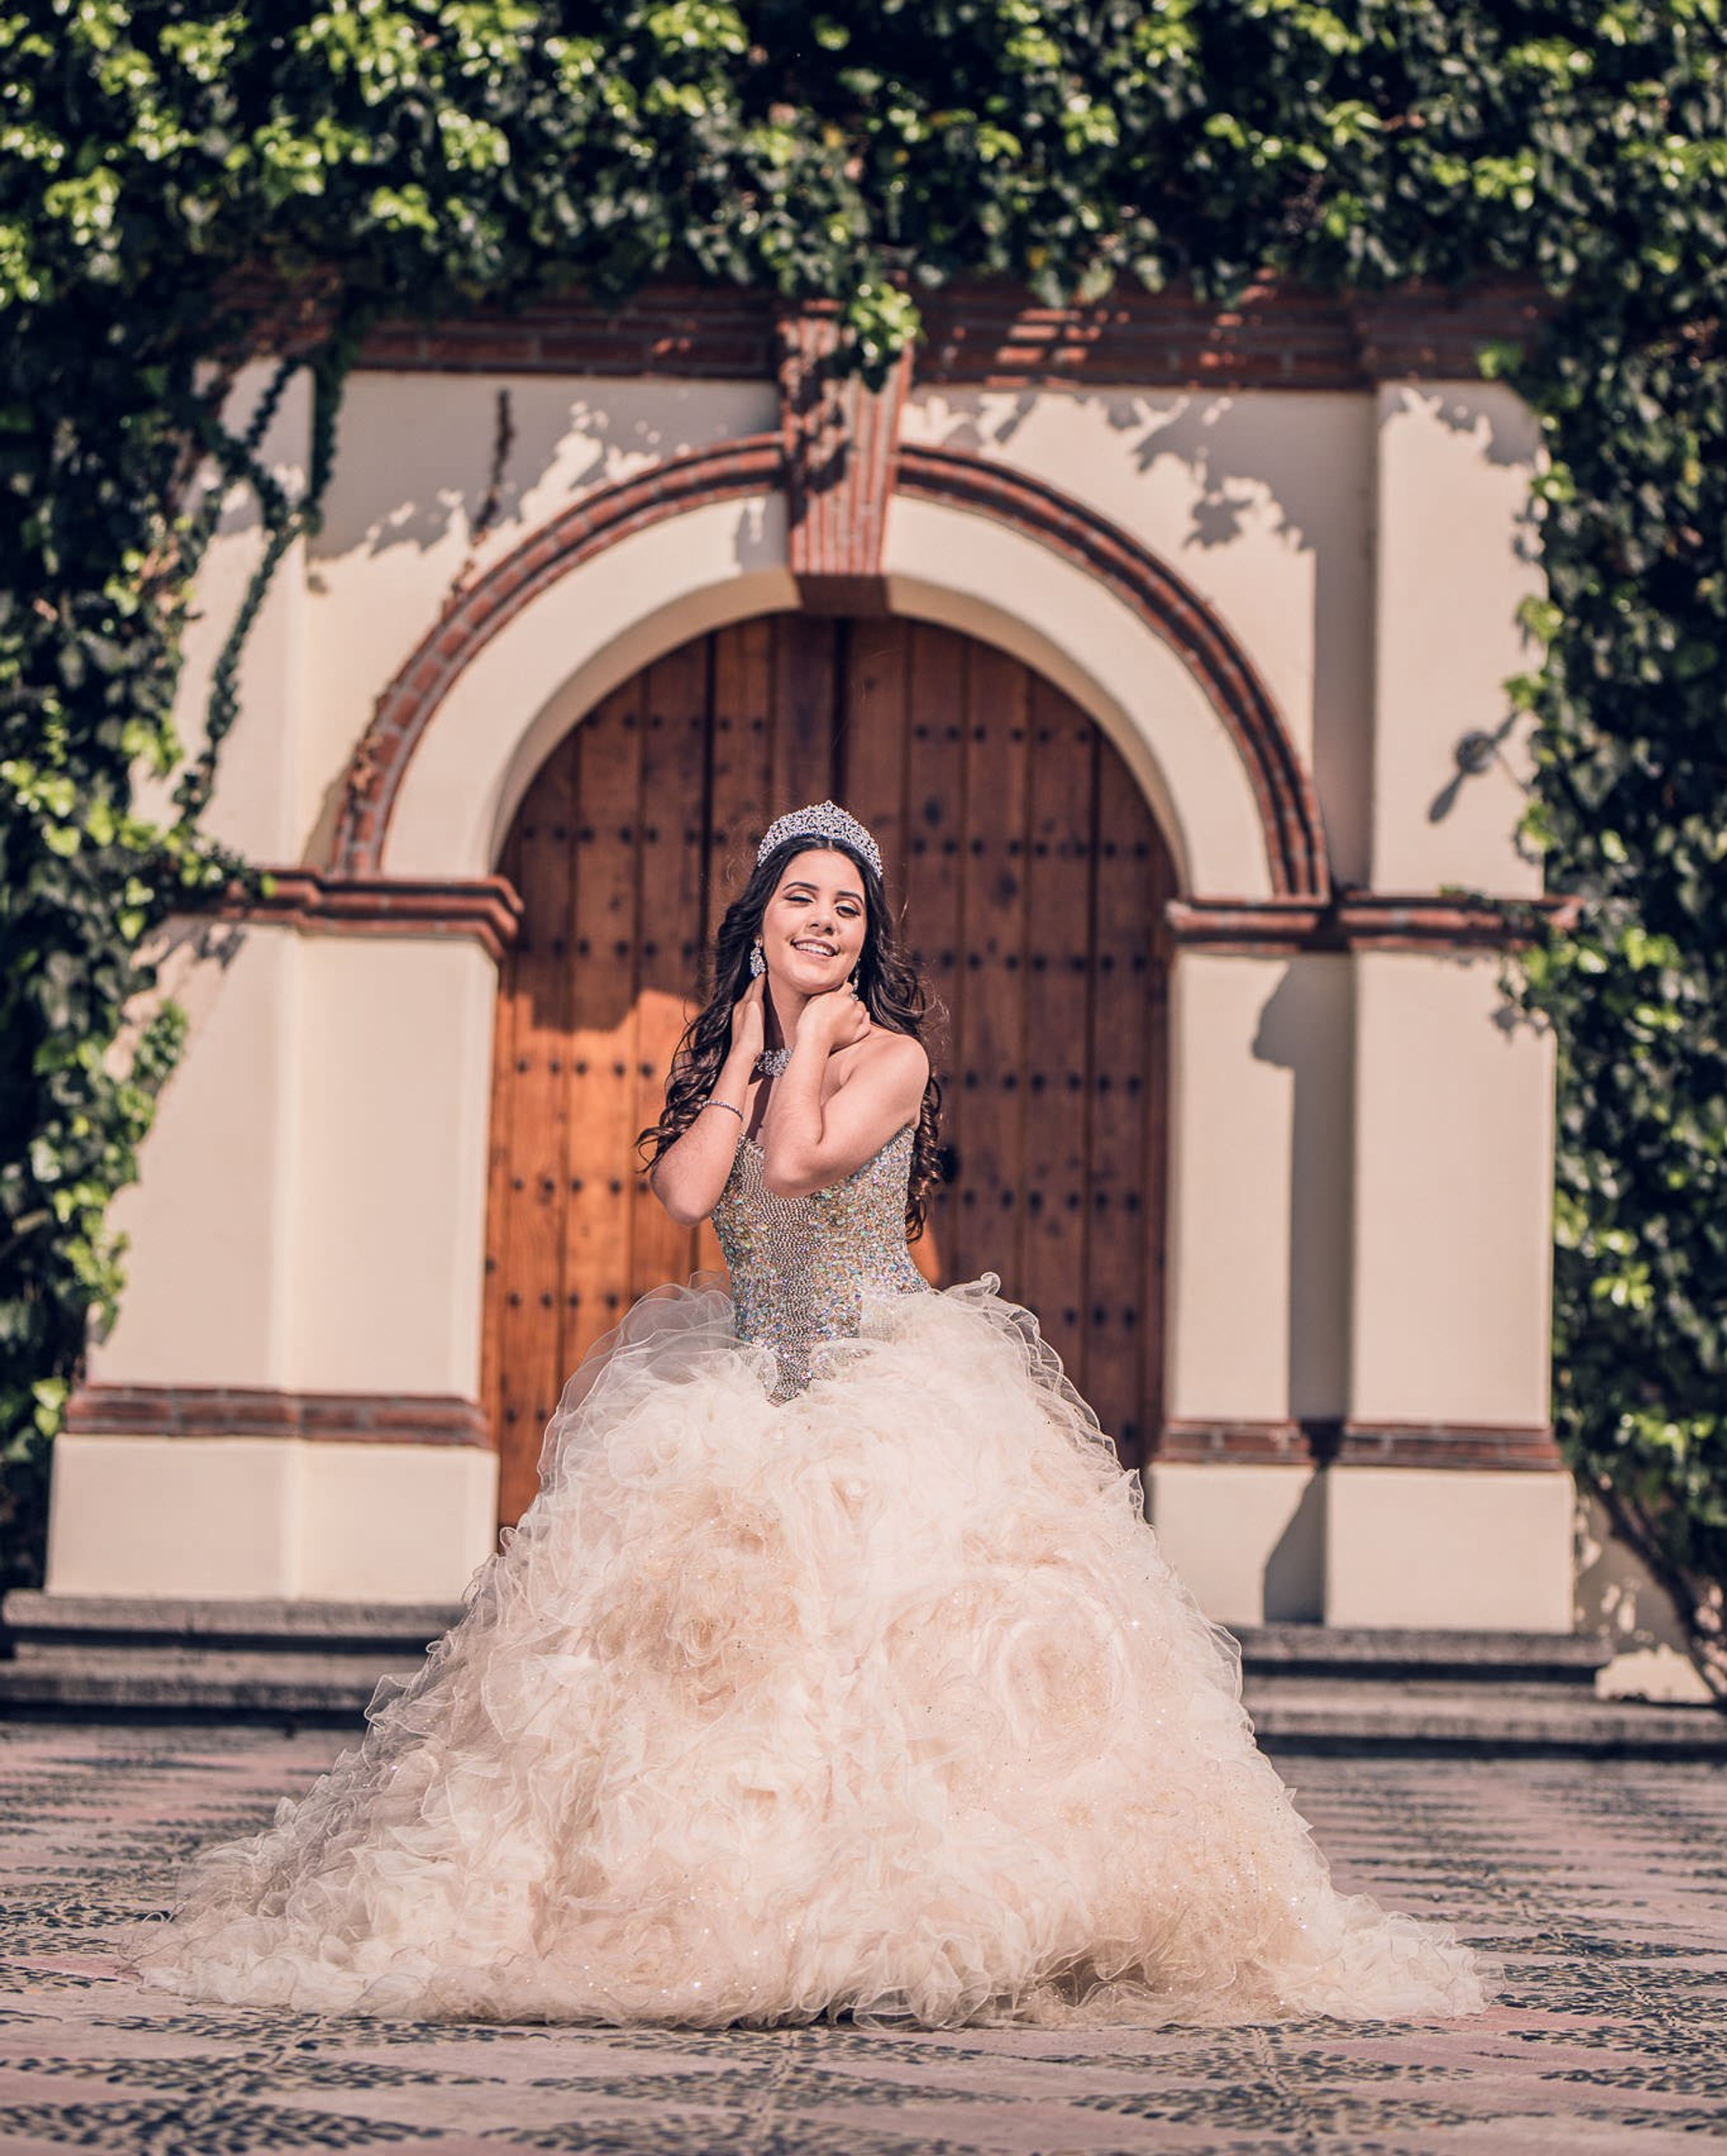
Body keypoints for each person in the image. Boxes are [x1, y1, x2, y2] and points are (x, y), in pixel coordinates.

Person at [130, 800, 1487, 2026]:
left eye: (847, 908)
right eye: (801, 901)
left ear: (867, 937)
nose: (824, 922)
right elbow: (686, 1193)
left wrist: (819, 1032)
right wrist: (740, 1043)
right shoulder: (735, 1044)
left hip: (883, 1381)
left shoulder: (886, 1053)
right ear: (761, 917)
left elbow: (787, 1169)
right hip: (737, 1377)